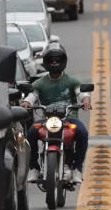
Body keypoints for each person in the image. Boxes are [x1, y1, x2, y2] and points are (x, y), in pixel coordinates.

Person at [20, 43, 91, 185]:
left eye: (57, 60)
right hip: (48, 121)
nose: (54, 63)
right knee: (31, 133)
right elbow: (31, 96)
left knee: (82, 132)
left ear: (63, 61)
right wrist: (26, 103)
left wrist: (86, 100)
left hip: (69, 119)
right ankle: (34, 168)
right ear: (46, 62)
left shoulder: (72, 80)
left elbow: (82, 92)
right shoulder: (40, 83)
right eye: (51, 60)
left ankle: (77, 168)